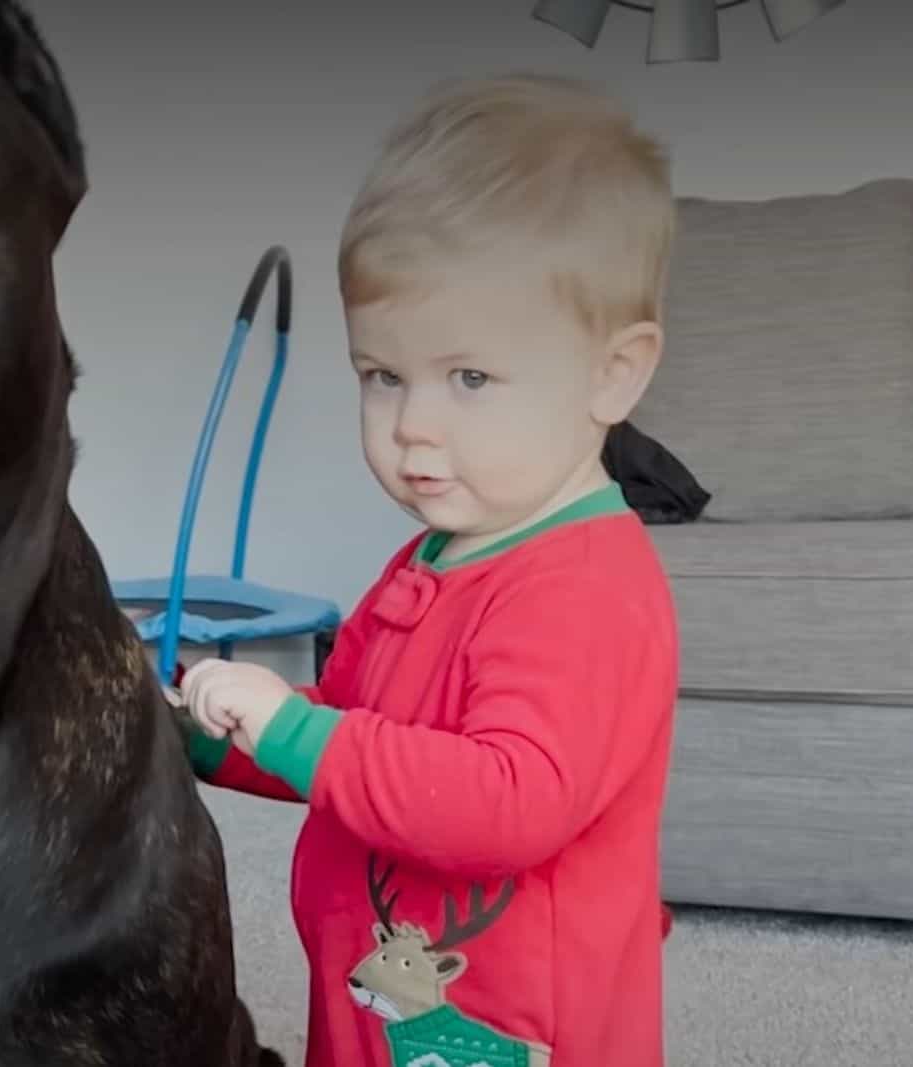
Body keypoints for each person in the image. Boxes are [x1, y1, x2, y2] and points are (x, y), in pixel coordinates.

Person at [176, 72, 680, 1067]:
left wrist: (292, 726)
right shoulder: (434, 556)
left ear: (612, 373)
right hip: (380, 993)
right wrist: (217, 735)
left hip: (503, 1025)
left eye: (470, 378)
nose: (411, 423)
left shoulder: (582, 590)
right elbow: (356, 736)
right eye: (382, 375)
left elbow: (506, 797)